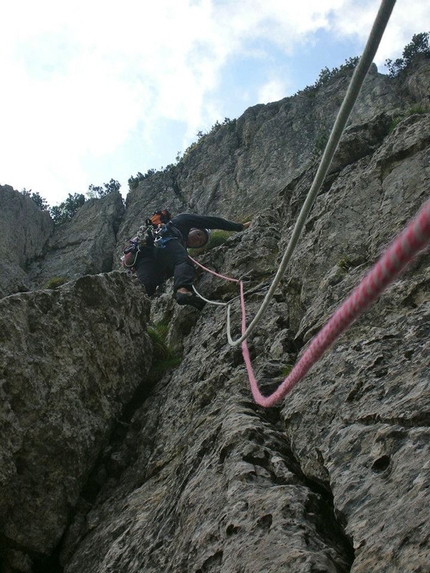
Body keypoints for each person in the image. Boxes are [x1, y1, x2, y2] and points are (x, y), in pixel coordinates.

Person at [134, 213, 250, 309]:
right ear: (193, 229)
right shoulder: (181, 222)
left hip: (148, 256)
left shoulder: (181, 244)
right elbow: (211, 221)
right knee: (183, 261)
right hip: (162, 244)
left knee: (145, 287)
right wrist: (239, 227)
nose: (198, 239)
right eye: (199, 234)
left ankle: (131, 308)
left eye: (200, 242)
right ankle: (183, 290)